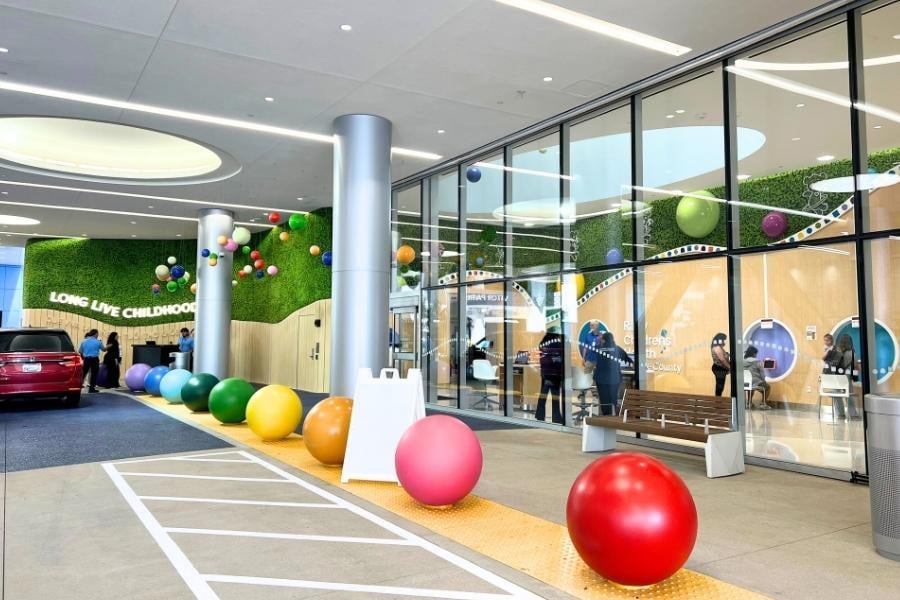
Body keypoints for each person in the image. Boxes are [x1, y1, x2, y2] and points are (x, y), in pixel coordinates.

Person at [593, 331, 633, 416]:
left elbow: (591, 361)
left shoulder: (598, 349)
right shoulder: (617, 348)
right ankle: (613, 416)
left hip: (601, 379)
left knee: (604, 399)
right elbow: (628, 360)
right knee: (613, 398)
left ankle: (606, 417)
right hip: (614, 379)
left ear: (603, 340)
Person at [535, 328, 564, 424]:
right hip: (554, 374)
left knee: (543, 396)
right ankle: (556, 417)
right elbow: (559, 360)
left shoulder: (543, 343)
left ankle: (539, 415)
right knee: (555, 397)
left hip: (545, 373)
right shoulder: (557, 344)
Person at [834, 333, 861, 420]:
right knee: (849, 394)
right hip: (846, 376)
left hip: (837, 376)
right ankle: (853, 414)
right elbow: (856, 366)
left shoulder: (836, 351)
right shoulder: (852, 352)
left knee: (837, 395)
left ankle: (840, 414)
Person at [79, 329, 106, 394]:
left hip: (86, 359)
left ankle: (78, 386)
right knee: (94, 374)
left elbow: (80, 351)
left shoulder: (83, 341)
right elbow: (104, 349)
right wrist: (108, 346)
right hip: (94, 359)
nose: (98, 335)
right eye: (97, 334)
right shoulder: (98, 342)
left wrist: (86, 354)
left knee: (83, 373)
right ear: (95, 334)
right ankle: (91, 388)